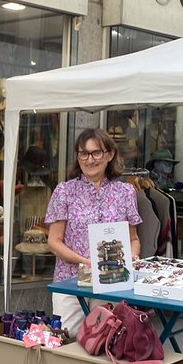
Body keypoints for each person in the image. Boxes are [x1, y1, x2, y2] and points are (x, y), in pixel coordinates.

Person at [45, 128, 142, 336]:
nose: (90, 160)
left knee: (104, 340)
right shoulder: (64, 191)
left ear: (109, 155)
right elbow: (54, 241)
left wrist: (132, 256)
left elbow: (133, 239)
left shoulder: (125, 192)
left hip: (111, 282)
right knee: (67, 337)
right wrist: (86, 262)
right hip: (70, 282)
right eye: (83, 154)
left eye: (96, 153)